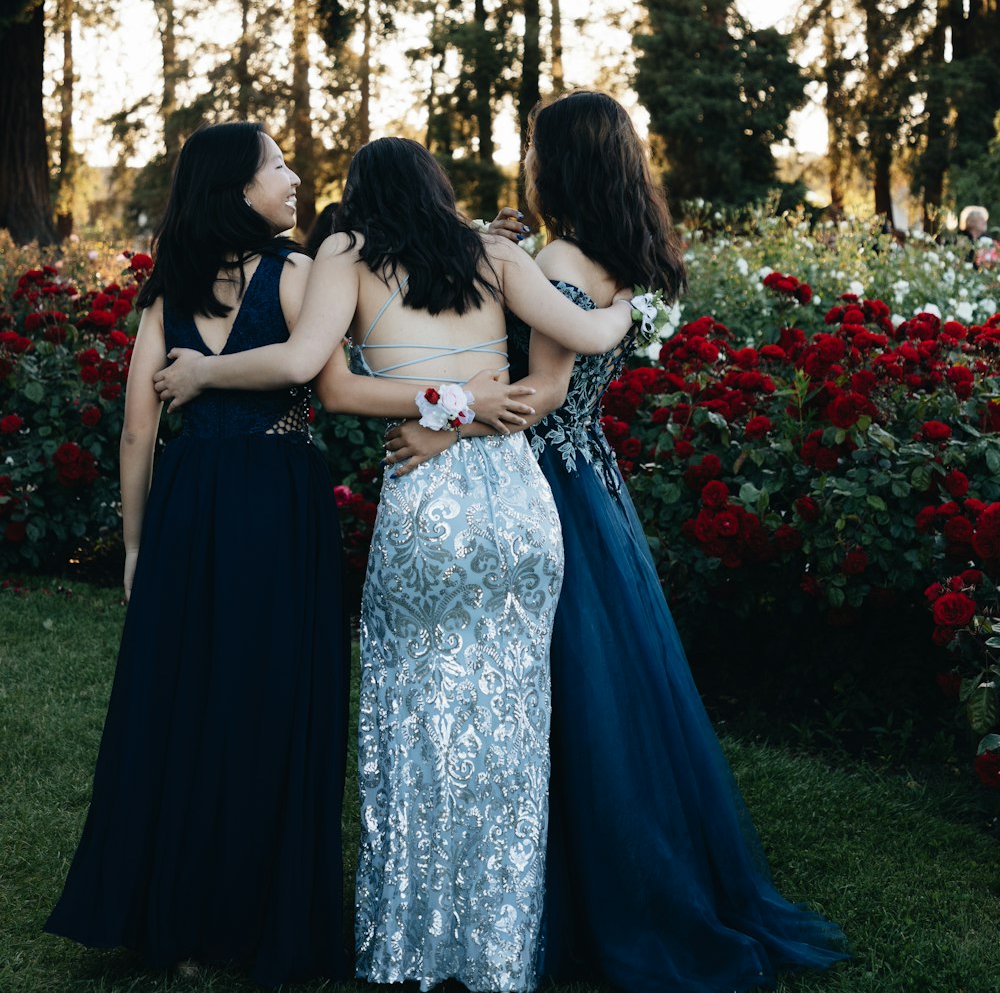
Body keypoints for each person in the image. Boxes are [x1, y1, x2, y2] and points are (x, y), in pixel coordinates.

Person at [386, 91, 849, 993]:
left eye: (531, 145)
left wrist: (439, 426)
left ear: (559, 161)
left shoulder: (558, 257)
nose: (523, 158)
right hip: (595, 481)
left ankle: (576, 898)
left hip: (549, 485)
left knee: (565, 698)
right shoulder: (608, 255)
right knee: (604, 694)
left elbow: (546, 395)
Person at [151, 136, 636, 993]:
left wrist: (440, 409)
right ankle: (498, 954)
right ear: (438, 189)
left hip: (430, 502)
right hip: (521, 509)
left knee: (412, 722)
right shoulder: (494, 252)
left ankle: (411, 945)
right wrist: (626, 299)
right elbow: (589, 333)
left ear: (360, 197)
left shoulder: (346, 252)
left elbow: (329, 387)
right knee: (513, 735)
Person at [45, 123, 350, 987]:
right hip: (281, 501)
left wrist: (137, 546)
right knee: (273, 699)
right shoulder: (295, 277)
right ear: (239, 187)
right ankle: (259, 918)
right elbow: (313, 367)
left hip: (190, 505)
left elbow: (139, 431)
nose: (293, 178)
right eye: (279, 165)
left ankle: (172, 921)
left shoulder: (166, 293)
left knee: (184, 703)